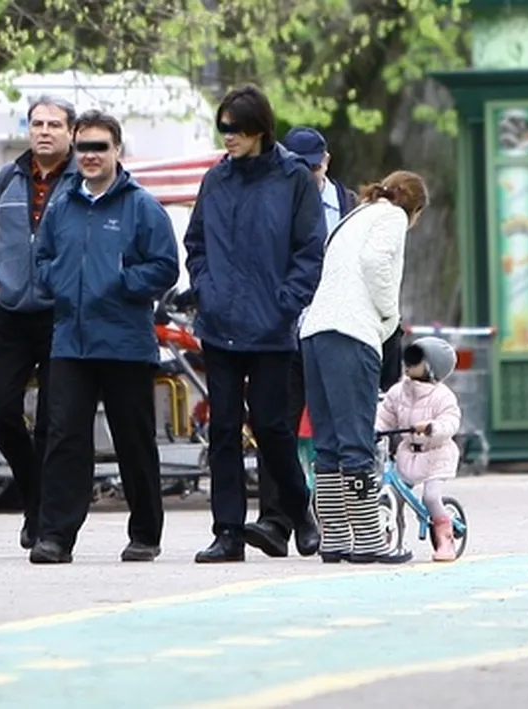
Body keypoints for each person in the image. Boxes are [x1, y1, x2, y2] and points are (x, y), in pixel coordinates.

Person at [27, 109, 180, 564]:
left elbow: (165, 267)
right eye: (84, 147)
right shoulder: (62, 204)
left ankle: (145, 533)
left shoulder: (142, 207)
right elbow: (43, 259)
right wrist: (58, 281)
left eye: (100, 147)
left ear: (117, 151)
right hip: (70, 341)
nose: (90, 156)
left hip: (124, 342)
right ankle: (55, 536)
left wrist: (119, 282)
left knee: (133, 440)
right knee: (64, 438)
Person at [183, 86, 325, 564]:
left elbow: (309, 251)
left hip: (270, 327)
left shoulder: (294, 179)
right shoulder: (215, 180)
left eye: (235, 130)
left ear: (259, 129)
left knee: (272, 426)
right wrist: (205, 288)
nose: (228, 138)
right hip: (219, 324)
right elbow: (196, 242)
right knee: (223, 428)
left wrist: (285, 305)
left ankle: (299, 509)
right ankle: (227, 531)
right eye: (222, 129)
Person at [299, 169, 430, 565]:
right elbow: (375, 262)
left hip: (314, 329)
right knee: (357, 438)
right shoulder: (391, 217)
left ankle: (335, 538)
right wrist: (390, 313)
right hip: (353, 331)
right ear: (415, 208)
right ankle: (370, 538)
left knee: (328, 442)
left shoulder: (353, 216)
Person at [0, 95, 79, 550]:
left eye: (54, 124)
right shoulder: (5, 180)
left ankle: (43, 517)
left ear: (71, 131)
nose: (45, 131)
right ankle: (33, 489)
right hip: (9, 313)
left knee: (53, 422)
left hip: (59, 315)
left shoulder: (81, 181)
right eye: (37, 123)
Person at [244, 126, 359, 558]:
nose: (307, 173)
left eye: (313, 165)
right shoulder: (273, 201)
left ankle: (341, 522)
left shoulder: (350, 208)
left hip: (334, 331)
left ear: (325, 161)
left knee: (338, 428)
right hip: (286, 332)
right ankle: (276, 521)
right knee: (275, 426)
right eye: (300, 165)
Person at [376, 336, 462, 562]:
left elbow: (451, 422)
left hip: (436, 454)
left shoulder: (442, 396)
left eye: (416, 361)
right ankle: (391, 537)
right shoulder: (398, 391)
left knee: (431, 498)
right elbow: (385, 416)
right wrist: (375, 430)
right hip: (408, 454)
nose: (409, 365)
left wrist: (433, 428)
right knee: (394, 494)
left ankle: (445, 539)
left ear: (432, 368)